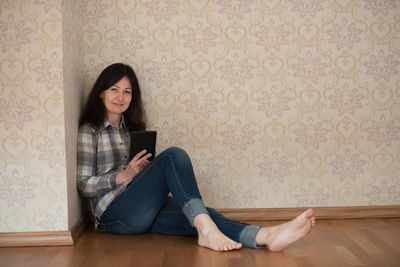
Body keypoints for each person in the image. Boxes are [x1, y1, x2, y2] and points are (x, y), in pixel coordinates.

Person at [77, 63, 316, 252]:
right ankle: (209, 231)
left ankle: (266, 236)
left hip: (142, 210)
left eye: (127, 92)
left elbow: (141, 178)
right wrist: (124, 175)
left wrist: (143, 173)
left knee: (202, 216)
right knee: (174, 156)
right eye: (114, 90)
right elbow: (84, 185)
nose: (120, 97)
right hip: (114, 216)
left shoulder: (133, 130)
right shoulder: (90, 130)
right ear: (101, 93)